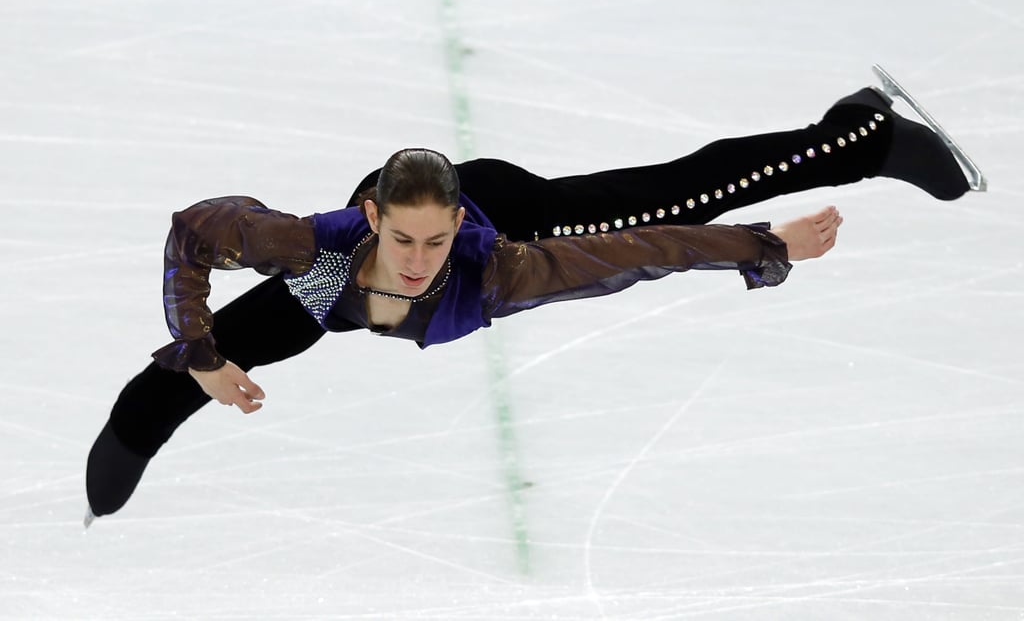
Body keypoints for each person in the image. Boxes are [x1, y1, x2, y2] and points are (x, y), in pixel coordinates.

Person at [84, 77, 981, 525]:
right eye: (403, 240)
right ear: (371, 218)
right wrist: (201, 357)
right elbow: (192, 237)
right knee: (169, 387)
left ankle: (864, 136)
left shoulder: (496, 266)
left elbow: (646, 248)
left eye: (434, 243)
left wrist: (764, 245)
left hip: (511, 205)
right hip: (333, 282)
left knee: (679, 196)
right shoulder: (309, 254)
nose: (417, 262)